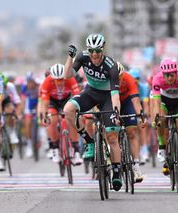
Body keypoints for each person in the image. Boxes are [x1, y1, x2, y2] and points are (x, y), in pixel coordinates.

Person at [63, 33, 123, 191]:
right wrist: (70, 57)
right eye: (91, 51)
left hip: (108, 97)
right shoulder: (83, 57)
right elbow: (67, 75)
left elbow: (115, 95)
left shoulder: (111, 66)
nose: (94, 54)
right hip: (90, 92)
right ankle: (89, 141)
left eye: (97, 50)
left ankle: (117, 171)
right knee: (68, 110)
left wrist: (116, 113)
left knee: (111, 135)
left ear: (103, 49)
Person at [152, 58, 178, 178]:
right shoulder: (157, 79)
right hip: (164, 100)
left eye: (172, 74)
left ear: (177, 72)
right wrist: (156, 118)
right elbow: (156, 102)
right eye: (167, 75)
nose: (170, 78)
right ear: (162, 74)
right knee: (160, 119)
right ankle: (161, 146)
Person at [41, 63, 82, 165]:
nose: (59, 82)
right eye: (57, 80)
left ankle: (76, 151)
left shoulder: (70, 79)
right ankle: (55, 148)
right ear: (52, 78)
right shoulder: (47, 82)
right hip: (52, 102)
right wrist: (45, 115)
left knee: (72, 120)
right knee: (52, 120)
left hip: (66, 100)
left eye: (61, 79)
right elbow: (45, 103)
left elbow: (78, 97)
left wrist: (79, 112)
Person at [118, 62, 146, 182]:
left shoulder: (128, 78)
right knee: (111, 130)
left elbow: (135, 100)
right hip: (111, 102)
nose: (118, 80)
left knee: (132, 131)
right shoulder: (107, 79)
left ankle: (136, 165)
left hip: (126, 102)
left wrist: (140, 116)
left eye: (120, 77)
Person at [128, 68, 150, 164]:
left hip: (139, 104)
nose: (135, 81)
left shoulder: (144, 88)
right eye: (133, 78)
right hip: (129, 104)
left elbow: (145, 104)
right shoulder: (127, 87)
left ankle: (144, 150)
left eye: (137, 78)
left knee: (142, 126)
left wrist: (145, 114)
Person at [20, 72, 40, 158]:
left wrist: (39, 110)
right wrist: (21, 112)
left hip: (37, 105)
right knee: (27, 123)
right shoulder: (24, 88)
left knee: (41, 121)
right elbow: (23, 100)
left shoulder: (39, 87)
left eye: (31, 82)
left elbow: (41, 100)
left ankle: (41, 138)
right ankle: (29, 144)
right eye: (28, 82)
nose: (29, 84)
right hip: (28, 107)